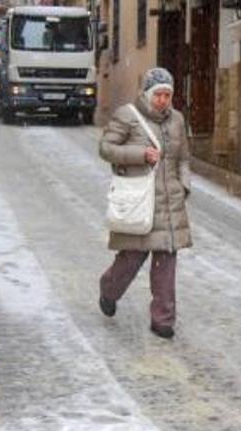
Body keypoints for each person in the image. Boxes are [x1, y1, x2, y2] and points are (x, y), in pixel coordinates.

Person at [97, 67, 192, 339]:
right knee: (131, 258)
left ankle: (163, 320)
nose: (163, 100)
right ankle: (109, 289)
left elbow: (184, 157)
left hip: (170, 202)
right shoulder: (128, 116)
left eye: (167, 95)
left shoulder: (177, 121)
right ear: (148, 94)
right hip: (140, 199)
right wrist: (140, 154)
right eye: (158, 94)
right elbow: (106, 148)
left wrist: (184, 184)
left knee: (166, 263)